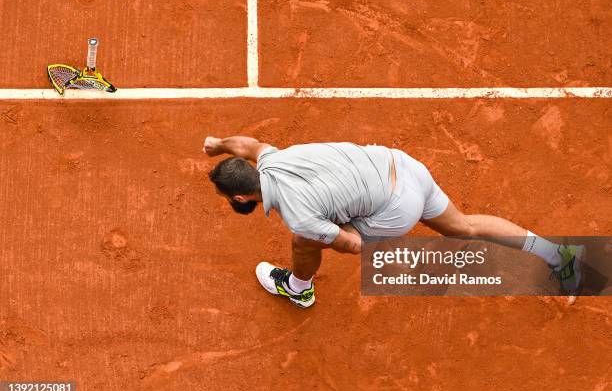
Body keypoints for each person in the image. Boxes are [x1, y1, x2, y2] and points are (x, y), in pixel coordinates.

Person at [204, 135, 583, 308]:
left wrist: (334, 231)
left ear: (240, 197)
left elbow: (352, 245)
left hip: (393, 209)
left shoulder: (299, 214)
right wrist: (217, 144)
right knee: (463, 226)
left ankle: (300, 288)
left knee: (305, 241)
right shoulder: (273, 158)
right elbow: (247, 145)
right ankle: (557, 254)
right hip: (402, 166)